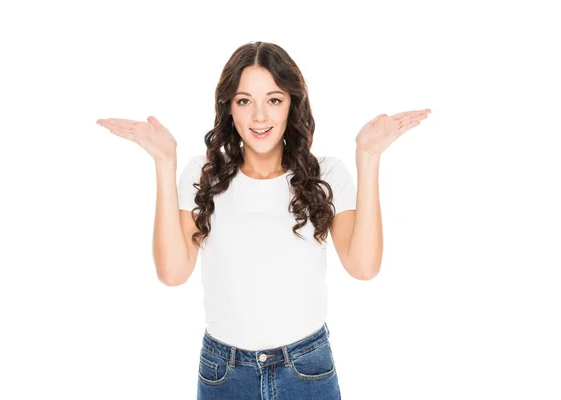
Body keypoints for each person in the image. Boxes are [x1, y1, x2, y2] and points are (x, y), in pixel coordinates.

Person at [96, 41, 430, 400]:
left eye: (273, 100)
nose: (259, 116)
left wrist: (368, 157)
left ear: (291, 105)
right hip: (224, 373)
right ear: (229, 109)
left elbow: (364, 266)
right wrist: (164, 162)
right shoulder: (202, 176)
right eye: (244, 101)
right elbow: (172, 273)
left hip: (306, 368)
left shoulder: (327, 174)